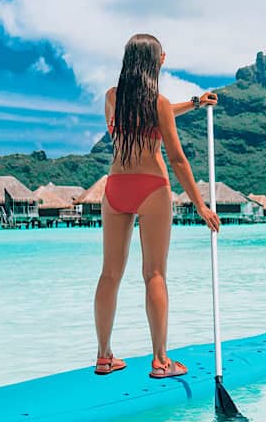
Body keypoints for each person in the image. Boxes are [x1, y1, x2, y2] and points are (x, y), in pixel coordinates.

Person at [94, 33, 220, 378]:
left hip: (116, 187)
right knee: (154, 274)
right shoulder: (159, 104)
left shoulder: (111, 98)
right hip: (152, 188)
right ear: (158, 61)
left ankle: (104, 356)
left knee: (109, 274)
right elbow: (178, 161)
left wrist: (194, 103)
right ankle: (161, 360)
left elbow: (141, 116)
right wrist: (201, 206)